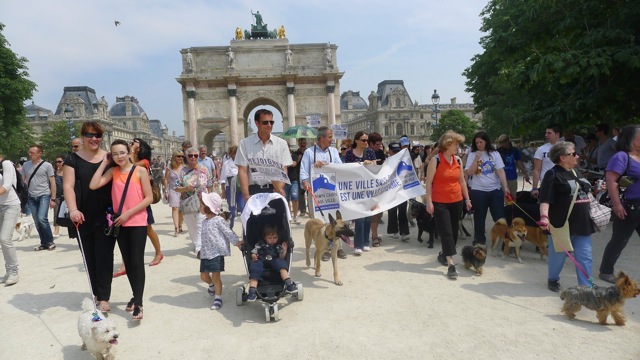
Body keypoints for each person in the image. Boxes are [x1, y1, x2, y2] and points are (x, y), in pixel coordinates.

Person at [90, 139, 153, 320]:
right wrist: (103, 163)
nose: (119, 156)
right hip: (120, 223)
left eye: (122, 152)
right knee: (128, 262)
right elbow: (93, 185)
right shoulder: (113, 171)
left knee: (137, 262)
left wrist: (128, 213)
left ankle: (139, 304)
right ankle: (135, 295)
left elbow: (148, 198)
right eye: (115, 154)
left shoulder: (140, 171)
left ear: (128, 152)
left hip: (137, 221)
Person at [64, 121, 115, 312]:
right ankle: (95, 291)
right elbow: (68, 186)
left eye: (97, 135)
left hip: (106, 214)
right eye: (89, 135)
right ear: (82, 137)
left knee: (104, 256)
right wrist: (73, 209)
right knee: (89, 257)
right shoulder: (72, 159)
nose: (93, 139)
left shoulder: (110, 158)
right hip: (82, 215)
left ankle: (103, 297)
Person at [538, 141, 594, 292]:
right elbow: (545, 199)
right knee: (559, 256)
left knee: (585, 257)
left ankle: (586, 287)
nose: (577, 156)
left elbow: (585, 192)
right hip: (561, 223)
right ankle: (553, 279)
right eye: (573, 153)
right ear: (562, 157)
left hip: (583, 222)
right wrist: (544, 217)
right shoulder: (552, 174)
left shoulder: (577, 171)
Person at [425, 130, 472, 280]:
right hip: (440, 202)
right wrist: (429, 201)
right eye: (456, 144)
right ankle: (451, 264)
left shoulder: (458, 160)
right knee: (445, 232)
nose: (458, 147)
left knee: (453, 231)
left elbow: (462, 181)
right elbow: (429, 182)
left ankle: (444, 254)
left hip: (456, 200)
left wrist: (467, 199)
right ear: (447, 144)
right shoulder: (435, 160)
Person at [598, 125, 640, 284]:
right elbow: (611, 181)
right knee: (619, 240)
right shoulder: (621, 157)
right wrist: (617, 205)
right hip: (627, 206)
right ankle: (606, 271)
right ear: (631, 139)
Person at [299, 126, 344, 259]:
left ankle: (338, 247)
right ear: (322, 138)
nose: (332, 139)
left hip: (331, 192)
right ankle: (323, 250)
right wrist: (305, 181)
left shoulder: (334, 152)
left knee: (336, 220)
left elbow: (340, 167)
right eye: (330, 137)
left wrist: (326, 165)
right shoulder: (309, 152)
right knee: (319, 221)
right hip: (316, 192)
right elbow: (303, 171)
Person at [235, 108, 292, 201]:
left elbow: (284, 170)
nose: (269, 125)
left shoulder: (282, 144)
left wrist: (279, 188)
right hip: (253, 190)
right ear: (257, 123)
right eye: (265, 122)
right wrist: (246, 195)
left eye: (271, 122)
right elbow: (243, 171)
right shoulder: (244, 144)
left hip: (274, 190)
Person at [464, 131, 510, 245]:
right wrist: (476, 158)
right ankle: (479, 240)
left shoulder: (494, 154)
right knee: (479, 217)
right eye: (477, 142)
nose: (479, 144)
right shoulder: (472, 154)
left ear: (486, 142)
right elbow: (469, 172)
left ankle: (506, 239)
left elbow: (500, 171)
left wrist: (505, 188)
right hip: (478, 190)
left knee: (499, 217)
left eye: (481, 142)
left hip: (494, 189)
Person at [199, 192, 241, 310]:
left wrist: (237, 242)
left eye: (201, 204)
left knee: (216, 277)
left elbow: (228, 232)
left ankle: (218, 297)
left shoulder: (218, 220)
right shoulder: (204, 221)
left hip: (216, 253)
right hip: (205, 253)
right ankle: (211, 285)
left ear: (208, 207)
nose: (199, 206)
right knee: (203, 276)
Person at [344, 131, 376, 255]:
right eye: (363, 140)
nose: (366, 142)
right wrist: (361, 165)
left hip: (367, 188)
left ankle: (366, 242)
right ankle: (358, 244)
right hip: (355, 189)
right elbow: (346, 170)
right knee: (359, 217)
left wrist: (370, 164)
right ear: (356, 141)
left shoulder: (370, 152)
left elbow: (375, 169)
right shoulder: (349, 154)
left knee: (368, 217)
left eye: (367, 140)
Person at [247, 224, 298, 301]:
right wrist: (253, 256)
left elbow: (281, 257)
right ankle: (252, 290)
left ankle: (288, 283)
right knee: (254, 266)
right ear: (265, 237)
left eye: (275, 238)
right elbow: (253, 252)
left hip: (274, 261)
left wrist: (284, 250)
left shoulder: (278, 246)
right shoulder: (260, 243)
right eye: (269, 238)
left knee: (281, 263)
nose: (272, 240)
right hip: (261, 261)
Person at [176, 147, 212, 258]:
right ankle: (196, 244)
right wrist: (186, 188)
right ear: (186, 157)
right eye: (190, 155)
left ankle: (199, 249)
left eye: (195, 155)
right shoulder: (182, 171)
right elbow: (176, 188)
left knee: (200, 225)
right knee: (191, 227)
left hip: (202, 202)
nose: (193, 157)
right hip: (188, 202)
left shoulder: (205, 170)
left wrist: (209, 200)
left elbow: (209, 185)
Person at [23, 145, 56, 251]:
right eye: (29, 152)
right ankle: (43, 243)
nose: (30, 154)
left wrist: (53, 198)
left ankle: (50, 241)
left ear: (40, 153)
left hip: (44, 194)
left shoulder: (47, 165)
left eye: (32, 152)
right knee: (37, 221)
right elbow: (23, 180)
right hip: (31, 196)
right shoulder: (25, 165)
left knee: (42, 218)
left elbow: (52, 182)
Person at [0, 154, 21, 285]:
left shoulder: (6, 164)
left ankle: (14, 271)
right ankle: (8, 271)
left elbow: (7, 185)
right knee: (1, 240)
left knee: (5, 238)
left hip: (11, 205)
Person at [385, 142, 410, 242]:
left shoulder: (404, 160)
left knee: (402, 211)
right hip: (390, 190)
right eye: (394, 151)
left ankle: (404, 232)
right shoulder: (386, 162)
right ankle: (393, 231)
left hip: (401, 189)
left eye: (398, 151)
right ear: (389, 151)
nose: (396, 153)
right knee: (392, 211)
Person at [532, 124, 563, 198]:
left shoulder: (566, 148)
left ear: (557, 134)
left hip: (563, 183)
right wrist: (534, 188)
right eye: (546, 133)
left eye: (549, 133)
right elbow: (537, 170)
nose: (546, 135)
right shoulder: (541, 149)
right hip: (547, 184)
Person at [219, 146, 244, 229]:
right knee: (232, 210)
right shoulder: (227, 163)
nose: (236, 155)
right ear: (231, 154)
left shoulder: (242, 162)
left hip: (241, 189)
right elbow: (223, 178)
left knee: (243, 208)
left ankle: (245, 228)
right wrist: (223, 191)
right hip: (231, 189)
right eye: (234, 153)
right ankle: (230, 226)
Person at [368, 132, 385, 247]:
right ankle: (374, 236)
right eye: (377, 144)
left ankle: (374, 233)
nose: (379, 146)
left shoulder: (380, 152)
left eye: (380, 144)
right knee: (374, 212)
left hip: (379, 185)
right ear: (370, 144)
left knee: (380, 213)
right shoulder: (366, 152)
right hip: (368, 187)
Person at [164, 150, 185, 236]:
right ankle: (176, 227)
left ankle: (180, 224)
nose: (180, 158)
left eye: (182, 156)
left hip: (183, 190)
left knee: (182, 210)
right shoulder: (170, 167)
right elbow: (166, 179)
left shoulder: (185, 167)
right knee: (175, 208)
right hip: (173, 190)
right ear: (174, 157)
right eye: (178, 156)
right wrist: (166, 191)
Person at [285, 146, 301, 225]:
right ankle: (289, 216)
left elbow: (294, 164)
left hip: (294, 180)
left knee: (295, 198)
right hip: (285, 180)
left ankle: (295, 216)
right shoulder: (281, 156)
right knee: (286, 199)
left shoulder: (294, 155)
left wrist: (285, 164)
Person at [293, 138, 308, 217]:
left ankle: (311, 209)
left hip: (308, 176)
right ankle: (302, 210)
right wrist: (297, 160)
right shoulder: (295, 154)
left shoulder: (309, 152)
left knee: (310, 194)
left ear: (306, 144)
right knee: (301, 194)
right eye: (301, 143)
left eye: (304, 143)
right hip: (299, 176)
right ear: (298, 144)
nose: (302, 144)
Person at [52, 155, 65, 238]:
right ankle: (56, 230)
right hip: (57, 195)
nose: (57, 163)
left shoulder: (68, 172)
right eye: (56, 162)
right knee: (56, 213)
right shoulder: (54, 172)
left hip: (67, 195)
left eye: (59, 161)